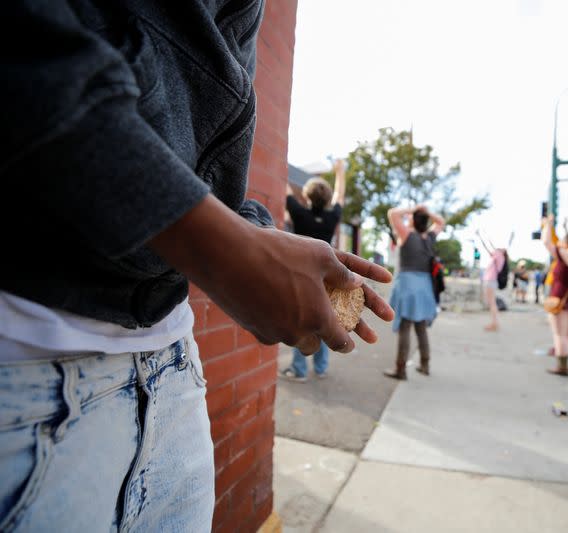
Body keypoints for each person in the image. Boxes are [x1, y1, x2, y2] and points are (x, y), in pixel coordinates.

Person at [0, 4, 394, 532]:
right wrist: (232, 256)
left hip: (172, 375)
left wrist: (257, 236)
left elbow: (214, 167)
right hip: (25, 373)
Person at [280, 160, 347, 382]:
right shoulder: (332, 217)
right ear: (327, 199)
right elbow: (340, 196)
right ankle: (321, 368)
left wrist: (282, 162)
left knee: (303, 323)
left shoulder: (299, 214)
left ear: (307, 197)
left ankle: (299, 371)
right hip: (326, 278)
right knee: (324, 321)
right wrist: (340, 172)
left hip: (301, 278)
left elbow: (286, 187)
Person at [383, 206, 445, 379]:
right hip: (425, 287)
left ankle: (400, 369)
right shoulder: (430, 237)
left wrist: (415, 208)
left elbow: (393, 213)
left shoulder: (407, 235)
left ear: (412, 220)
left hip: (408, 286)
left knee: (405, 328)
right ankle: (425, 364)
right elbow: (441, 222)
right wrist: (427, 212)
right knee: (421, 328)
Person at [541, 215, 568, 375]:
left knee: (559, 334)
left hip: (560, 298)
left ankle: (562, 366)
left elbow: (546, 242)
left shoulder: (563, 255)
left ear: (567, 243)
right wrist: (566, 229)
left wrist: (548, 224)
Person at [478, 232, 508, 331]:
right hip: (491, 280)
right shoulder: (500, 256)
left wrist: (481, 236)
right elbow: (490, 246)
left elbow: (489, 246)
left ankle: (494, 323)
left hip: (490, 280)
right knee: (491, 302)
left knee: (492, 303)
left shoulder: (499, 255)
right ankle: (494, 323)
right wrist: (484, 237)